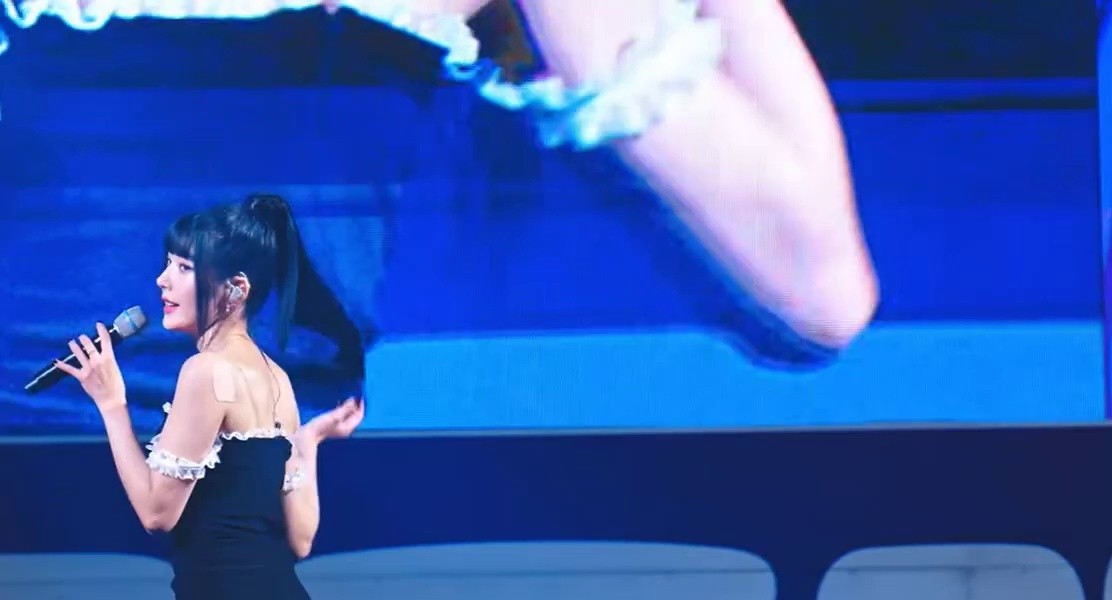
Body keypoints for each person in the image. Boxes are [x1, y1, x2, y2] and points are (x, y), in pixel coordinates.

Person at [53, 194, 366, 599]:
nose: (163, 280)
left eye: (184, 267)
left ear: (236, 289)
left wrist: (111, 404)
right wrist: (308, 441)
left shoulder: (206, 371)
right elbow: (301, 540)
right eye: (168, 263)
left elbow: (157, 513)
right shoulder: (277, 379)